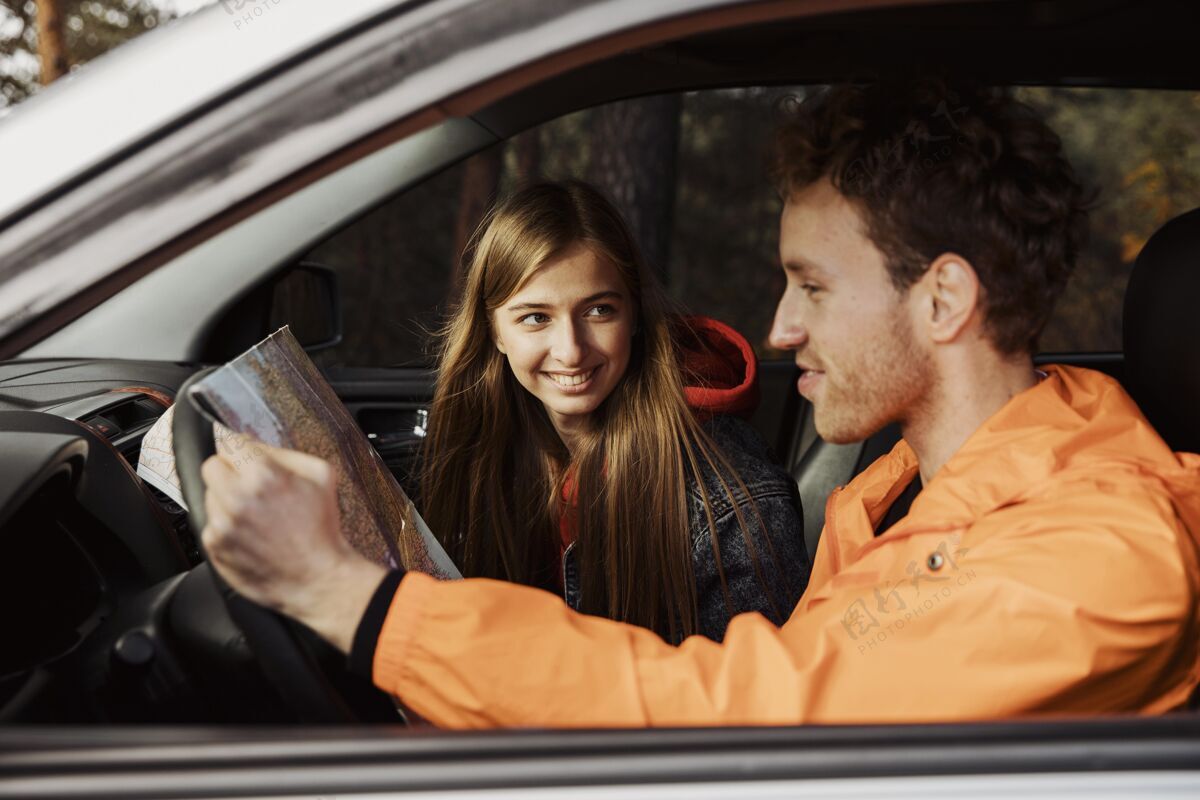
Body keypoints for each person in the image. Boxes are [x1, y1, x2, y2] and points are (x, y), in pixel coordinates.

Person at [200, 78, 1200, 728]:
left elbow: (744, 721)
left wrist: (346, 598)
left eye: (810, 285)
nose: (780, 329)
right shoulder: (904, 486)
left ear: (941, 298)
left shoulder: (1099, 556)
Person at [417, 180, 808, 643]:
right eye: (535, 318)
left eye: (599, 311)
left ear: (636, 316)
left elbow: (755, 699)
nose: (570, 350)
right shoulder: (487, 450)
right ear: (495, 333)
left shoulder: (724, 494)